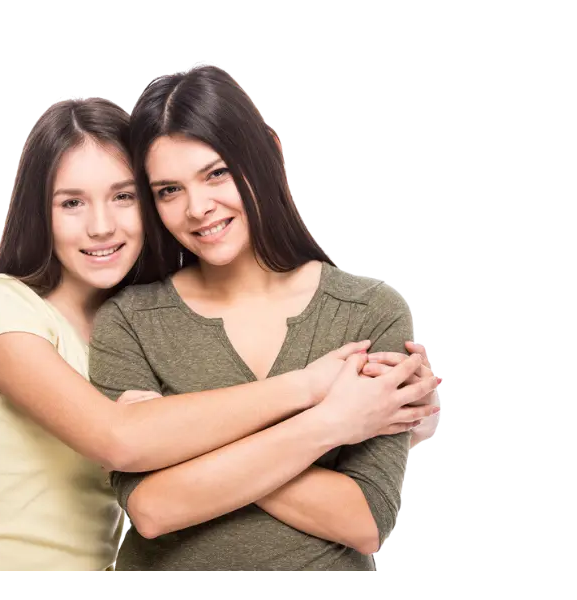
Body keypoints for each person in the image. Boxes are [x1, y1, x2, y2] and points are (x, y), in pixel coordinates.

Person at [0, 96, 419, 574]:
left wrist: (179, 437)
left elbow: (366, 520)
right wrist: (320, 401)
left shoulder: (129, 316)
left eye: (124, 196)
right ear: (38, 212)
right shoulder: (1, 307)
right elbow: (123, 444)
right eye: (71, 202)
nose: (100, 225)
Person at [88, 64, 441, 574]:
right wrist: (330, 421)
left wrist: (179, 442)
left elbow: (365, 519)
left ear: (261, 158)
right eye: (169, 190)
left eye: (216, 173)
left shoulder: (369, 313)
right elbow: (151, 509)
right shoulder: (129, 320)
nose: (197, 208)